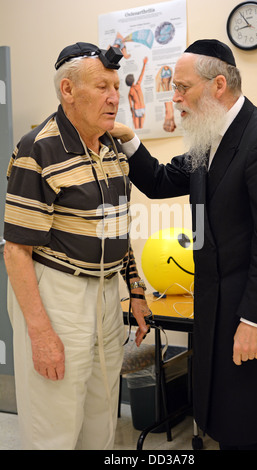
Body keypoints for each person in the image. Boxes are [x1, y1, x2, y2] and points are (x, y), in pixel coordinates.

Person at [112, 39, 257, 450]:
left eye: (181, 87)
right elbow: (161, 181)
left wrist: (254, 321)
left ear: (218, 85)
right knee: (226, 425)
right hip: (214, 312)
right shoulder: (206, 139)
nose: (174, 97)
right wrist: (128, 139)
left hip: (253, 317)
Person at [3, 42, 150, 450]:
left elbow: (117, 230)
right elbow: (15, 251)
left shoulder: (114, 150)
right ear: (67, 90)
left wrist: (135, 290)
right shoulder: (39, 149)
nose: (114, 96)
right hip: (58, 293)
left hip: (106, 295)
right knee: (54, 423)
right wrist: (40, 333)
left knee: (101, 418)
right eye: (101, 86)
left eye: (116, 86)